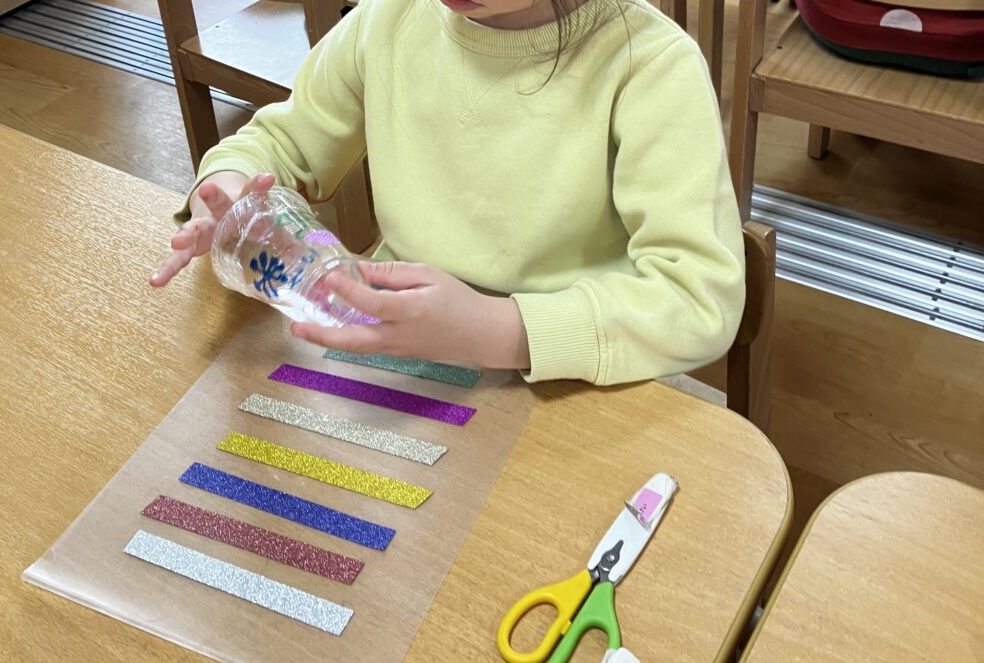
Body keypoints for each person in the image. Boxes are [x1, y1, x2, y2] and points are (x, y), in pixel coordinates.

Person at [150, 0, 744, 386]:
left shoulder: (650, 66)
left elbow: (698, 298)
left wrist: (496, 329)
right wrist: (228, 190)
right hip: (399, 361)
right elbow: (280, 142)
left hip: (574, 378)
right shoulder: (390, 19)